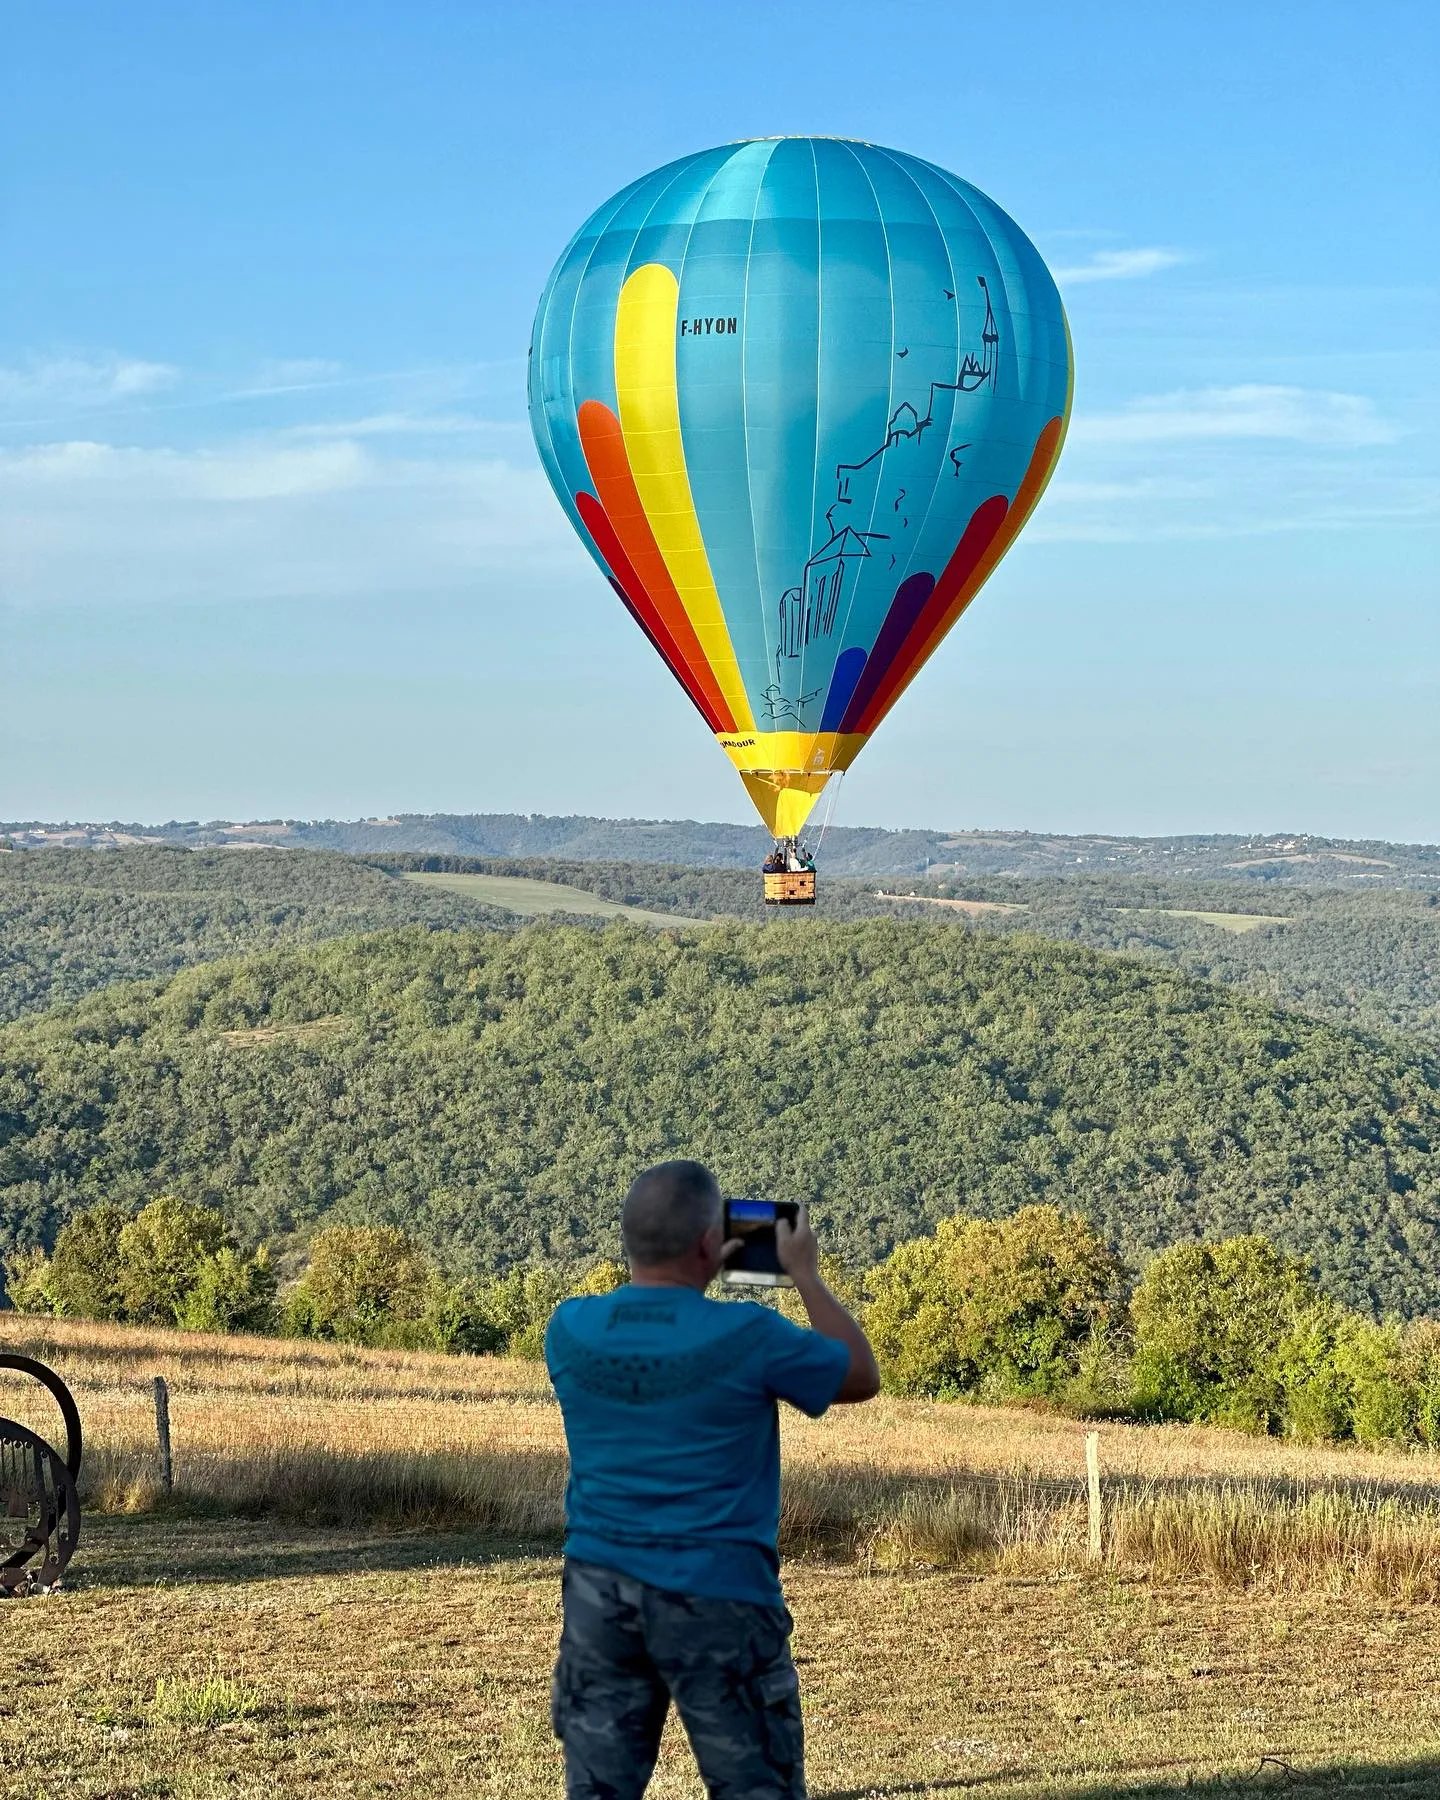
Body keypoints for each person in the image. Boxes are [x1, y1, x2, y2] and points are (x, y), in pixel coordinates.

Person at [545, 1160, 881, 1799]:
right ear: (710, 1243)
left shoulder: (570, 1330)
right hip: (720, 1595)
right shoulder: (750, 1334)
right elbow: (860, 1375)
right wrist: (805, 1274)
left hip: (598, 1594)